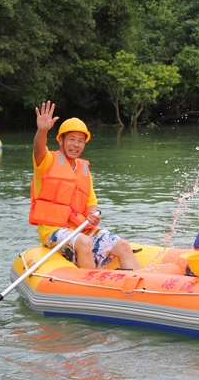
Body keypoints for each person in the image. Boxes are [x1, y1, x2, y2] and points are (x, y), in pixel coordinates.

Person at [29, 100, 141, 270]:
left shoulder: (83, 169)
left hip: (80, 229)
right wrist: (42, 130)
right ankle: (91, 287)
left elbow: (90, 203)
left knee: (123, 245)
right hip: (53, 231)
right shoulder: (47, 161)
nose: (76, 144)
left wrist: (93, 215)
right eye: (71, 139)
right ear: (61, 141)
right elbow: (38, 149)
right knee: (84, 241)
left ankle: (140, 287)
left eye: (80, 141)